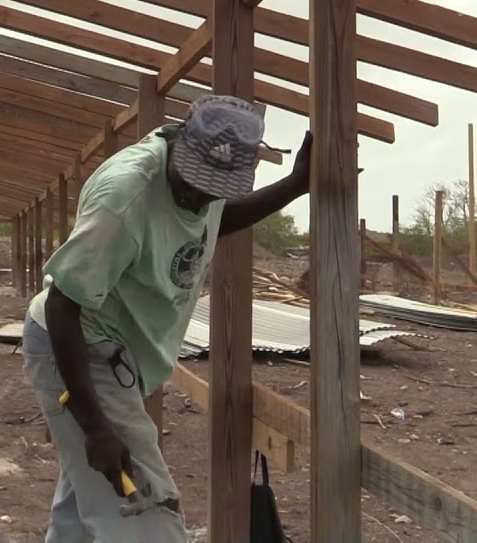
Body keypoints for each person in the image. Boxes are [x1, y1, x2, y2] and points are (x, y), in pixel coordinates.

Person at [20, 94, 312, 542]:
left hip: (114, 352)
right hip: (80, 344)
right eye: (190, 185)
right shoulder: (124, 197)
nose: (197, 197)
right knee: (147, 516)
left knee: (86, 507)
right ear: (180, 143)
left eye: (211, 190)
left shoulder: (203, 190)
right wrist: (96, 426)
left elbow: (212, 220)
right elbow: (63, 304)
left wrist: (294, 186)